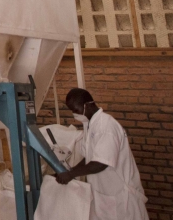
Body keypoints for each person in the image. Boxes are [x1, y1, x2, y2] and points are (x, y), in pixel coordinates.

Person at [56, 87, 148, 219]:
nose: (74, 114)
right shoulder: (90, 125)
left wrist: (70, 174)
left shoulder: (106, 126)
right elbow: (90, 156)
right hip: (104, 195)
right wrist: (71, 170)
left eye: (76, 110)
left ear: (87, 105)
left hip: (121, 198)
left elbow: (100, 163)